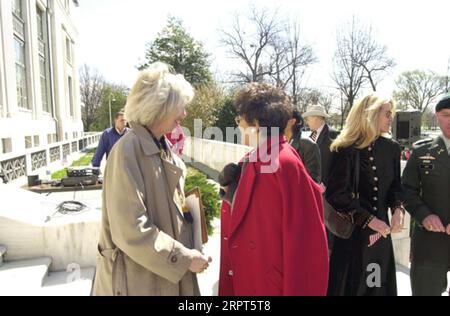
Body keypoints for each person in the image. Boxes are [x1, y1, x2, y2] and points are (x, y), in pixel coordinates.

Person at [93, 62, 211, 296]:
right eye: (180, 107)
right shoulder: (127, 151)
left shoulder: (164, 150)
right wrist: (185, 258)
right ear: (161, 107)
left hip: (164, 278)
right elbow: (131, 230)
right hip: (139, 282)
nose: (184, 115)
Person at [219, 82, 329, 296]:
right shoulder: (259, 158)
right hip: (255, 279)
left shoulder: (283, 162)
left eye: (240, 119)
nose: (239, 125)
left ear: (257, 123)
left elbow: (305, 245)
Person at [325, 94, 405, 296]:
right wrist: (368, 220)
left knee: (376, 285)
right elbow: (337, 194)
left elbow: (396, 187)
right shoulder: (345, 149)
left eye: (391, 114)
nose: (390, 119)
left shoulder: (392, 148)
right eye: (387, 113)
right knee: (351, 286)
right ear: (370, 114)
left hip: (380, 237)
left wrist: (398, 209)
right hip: (352, 236)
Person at [402, 93, 450, 296]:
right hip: (430, 241)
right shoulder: (421, 151)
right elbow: (406, 190)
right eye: (446, 114)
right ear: (437, 116)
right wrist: (424, 214)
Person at [302, 105, 339, 187]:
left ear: (315, 118)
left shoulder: (332, 134)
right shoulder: (313, 134)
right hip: (314, 184)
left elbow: (334, 163)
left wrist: (325, 183)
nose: (307, 122)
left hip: (327, 188)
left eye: (308, 119)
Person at [285, 109, 322, 183]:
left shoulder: (309, 145)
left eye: (281, 119)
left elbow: (313, 181)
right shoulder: (279, 142)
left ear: (292, 121)